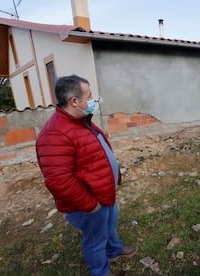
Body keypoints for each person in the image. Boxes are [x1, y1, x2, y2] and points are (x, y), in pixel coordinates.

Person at [36, 75, 138, 276]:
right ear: (75, 101)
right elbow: (59, 182)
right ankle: (100, 272)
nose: (93, 101)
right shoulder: (55, 133)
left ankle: (114, 250)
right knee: (95, 240)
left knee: (109, 226)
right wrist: (91, 205)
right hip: (89, 203)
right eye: (89, 96)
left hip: (103, 193)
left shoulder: (81, 120)